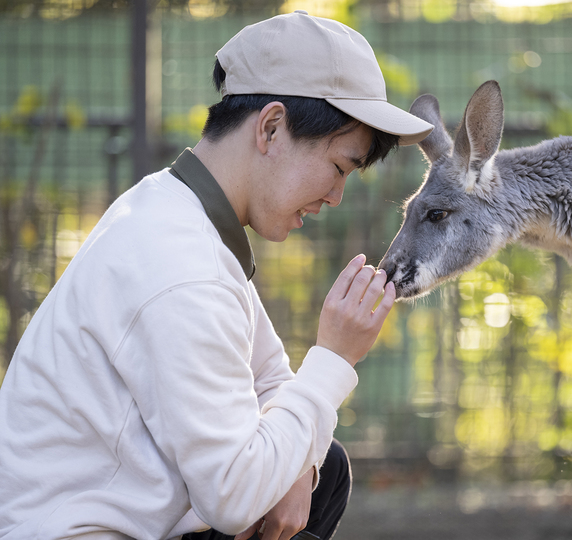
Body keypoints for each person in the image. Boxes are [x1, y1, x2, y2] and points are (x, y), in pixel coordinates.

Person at [0, 11, 432, 540]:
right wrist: (334, 357)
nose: (335, 197)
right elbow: (232, 496)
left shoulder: (179, 209)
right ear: (271, 128)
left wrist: (301, 466)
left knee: (325, 469)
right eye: (340, 167)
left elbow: (271, 380)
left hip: (146, 513)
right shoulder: (183, 267)